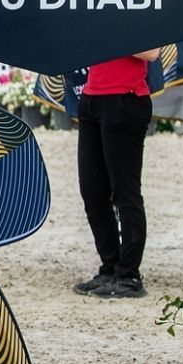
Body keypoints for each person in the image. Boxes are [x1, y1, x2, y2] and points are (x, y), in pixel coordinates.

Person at [73, 49, 159, 299]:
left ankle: (129, 275)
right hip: (92, 96)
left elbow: (152, 53)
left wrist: (111, 35)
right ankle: (110, 266)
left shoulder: (139, 10)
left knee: (125, 192)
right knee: (92, 191)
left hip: (126, 96)